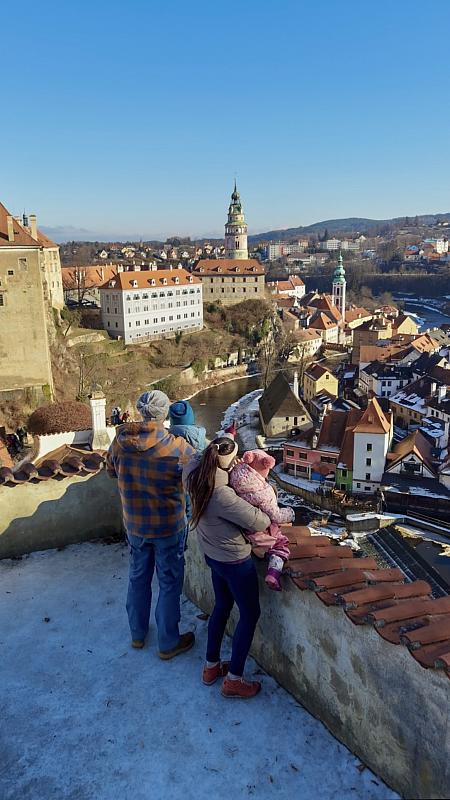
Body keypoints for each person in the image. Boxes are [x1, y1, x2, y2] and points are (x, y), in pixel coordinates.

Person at [106, 390, 196, 659]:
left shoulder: (119, 442)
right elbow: (198, 476)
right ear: (165, 413)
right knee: (168, 583)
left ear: (140, 411)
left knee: (138, 578)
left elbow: (111, 471)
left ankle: (137, 634)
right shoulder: (177, 447)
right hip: (168, 527)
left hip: (135, 525)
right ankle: (168, 642)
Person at [183, 438, 271, 699]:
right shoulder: (221, 494)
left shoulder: (193, 475)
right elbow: (260, 521)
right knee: (250, 613)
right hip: (234, 560)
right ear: (229, 464)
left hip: (212, 554)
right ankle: (234, 679)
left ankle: (211, 666)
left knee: (221, 606)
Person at [229, 450, 294, 591]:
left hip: (242, 528)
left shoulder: (235, 476)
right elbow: (275, 515)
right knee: (280, 545)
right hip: (259, 529)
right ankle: (273, 573)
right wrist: (290, 513)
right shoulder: (264, 492)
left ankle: (259, 549)